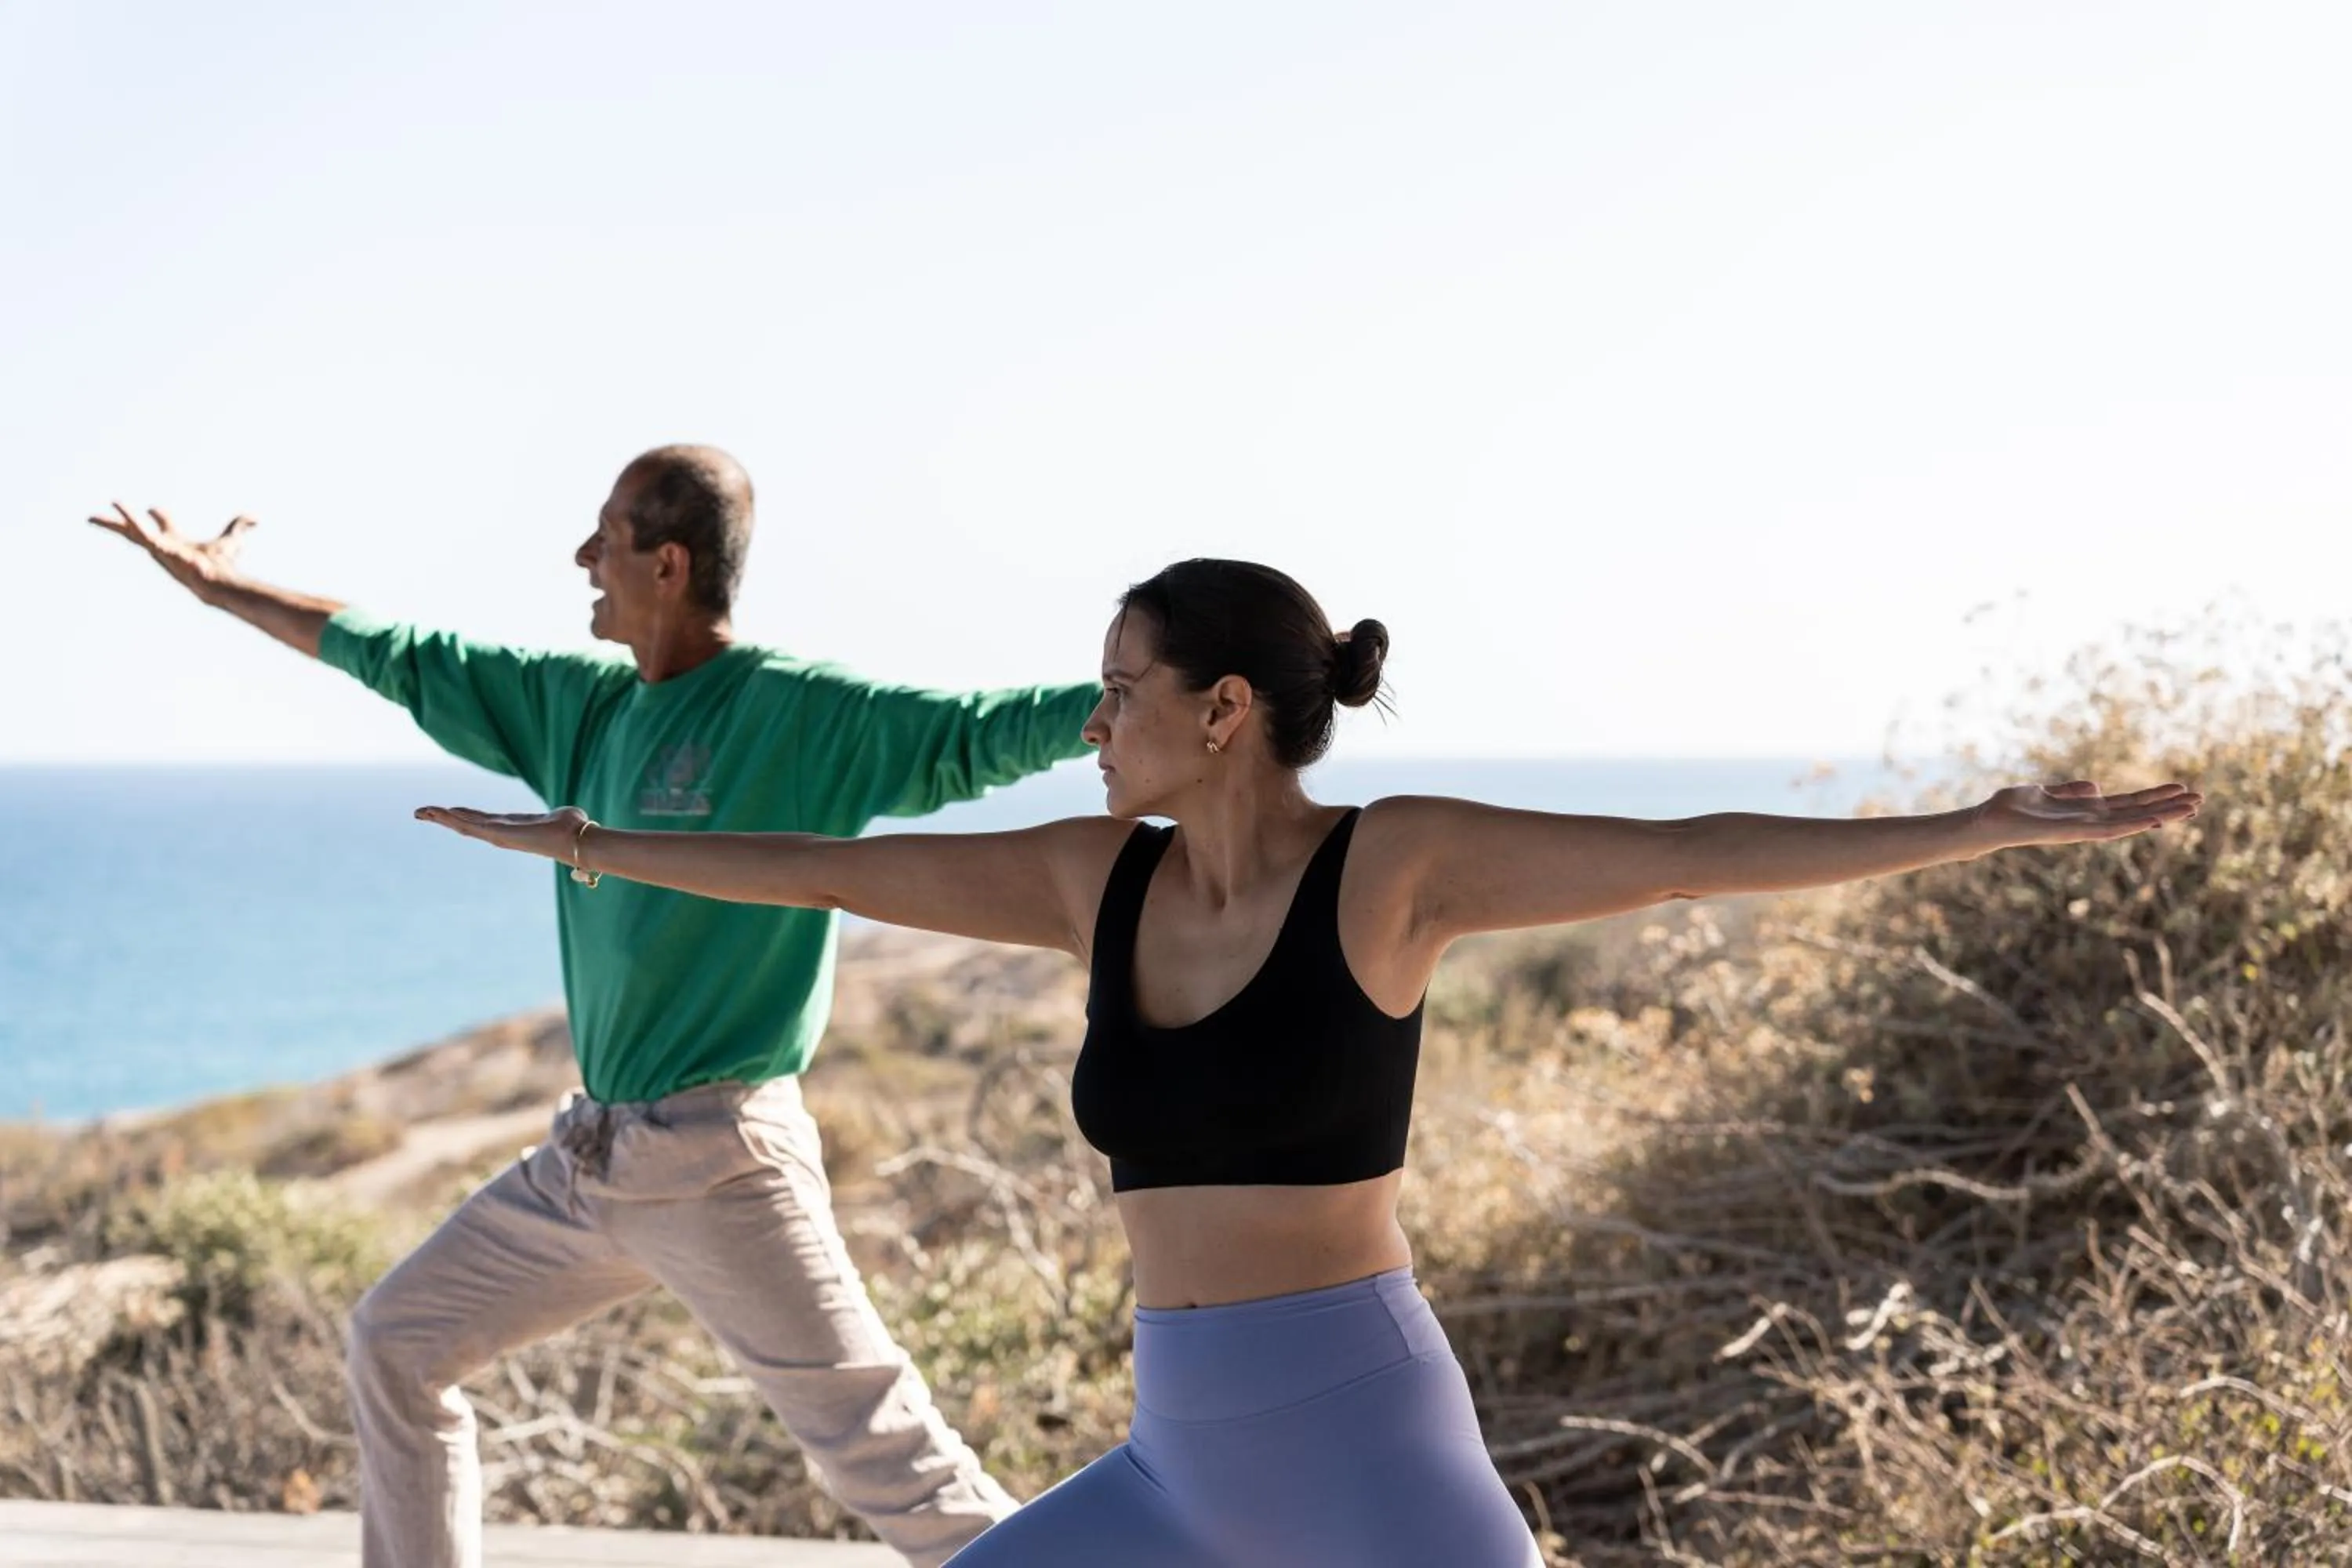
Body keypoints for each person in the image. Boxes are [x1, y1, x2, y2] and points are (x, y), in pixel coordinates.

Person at [415, 557, 2201, 1567]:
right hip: (1178, 1465)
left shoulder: (1393, 867)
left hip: (1367, 1449)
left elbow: (1683, 850)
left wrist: (1978, 824)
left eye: (1118, 687)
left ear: (1223, 710)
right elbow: (825, 867)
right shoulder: (1086, 878)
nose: (1093, 717)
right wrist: (589, 844)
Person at [87, 446, 1102, 1568]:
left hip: (722, 1164)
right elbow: (393, 652)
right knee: (398, 1341)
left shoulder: (803, 717)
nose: (583, 557)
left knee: (895, 1467)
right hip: (590, 1160)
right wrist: (220, 587)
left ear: (667, 564)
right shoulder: (579, 707)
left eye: (606, 537)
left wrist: (1146, 703)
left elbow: (988, 729)